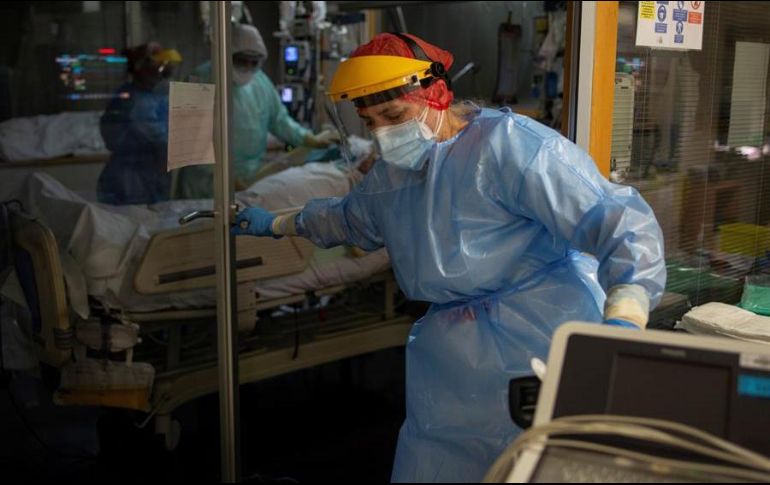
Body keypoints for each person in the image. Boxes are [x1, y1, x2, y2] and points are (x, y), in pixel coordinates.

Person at [231, 33, 667, 482]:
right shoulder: (391, 175)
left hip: (542, 338)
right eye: (370, 122)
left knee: (539, 465)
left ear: (436, 94)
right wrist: (279, 224)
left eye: (394, 115)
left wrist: (624, 321)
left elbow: (617, 221)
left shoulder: (511, 147)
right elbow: (349, 220)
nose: (382, 133)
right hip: (451, 363)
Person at [176, 24, 336, 199]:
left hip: (250, 178)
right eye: (242, 60)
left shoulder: (260, 82)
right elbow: (189, 144)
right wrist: (223, 176)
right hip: (204, 182)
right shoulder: (197, 81)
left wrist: (308, 138)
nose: (248, 66)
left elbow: (279, 120)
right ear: (225, 54)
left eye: (254, 62)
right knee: (204, 224)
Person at [98, 43, 181, 205]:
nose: (162, 75)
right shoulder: (136, 101)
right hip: (133, 182)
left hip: (150, 175)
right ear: (142, 70)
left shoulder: (152, 96)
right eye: (158, 69)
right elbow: (160, 139)